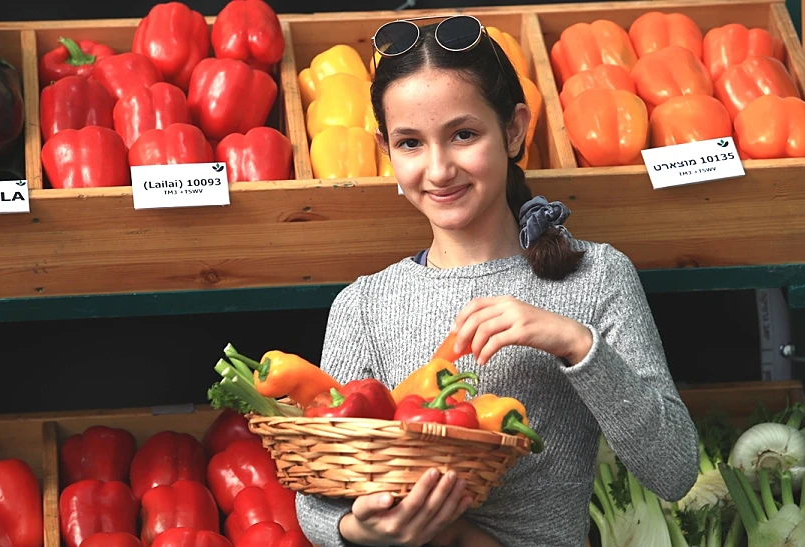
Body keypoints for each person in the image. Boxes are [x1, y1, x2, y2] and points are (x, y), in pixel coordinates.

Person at [295, 14, 699, 547]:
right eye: (411, 143)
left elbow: (674, 471)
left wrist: (575, 343)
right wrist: (355, 529)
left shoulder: (597, 276)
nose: (439, 169)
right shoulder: (364, 305)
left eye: (463, 134)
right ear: (386, 150)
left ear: (513, 130)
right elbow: (316, 490)